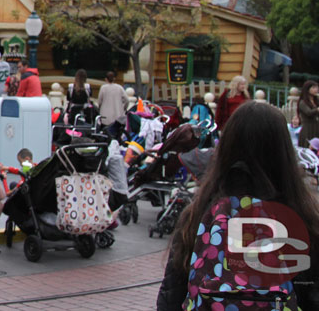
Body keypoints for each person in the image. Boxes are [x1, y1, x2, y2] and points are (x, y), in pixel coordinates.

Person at [157, 102, 319, 309]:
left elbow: (172, 294)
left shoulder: (201, 212)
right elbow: (311, 295)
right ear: (284, 151)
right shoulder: (301, 216)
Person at [96, 71, 128, 135]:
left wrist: (99, 109)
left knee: (105, 134)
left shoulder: (103, 88)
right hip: (117, 116)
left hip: (105, 117)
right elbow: (127, 100)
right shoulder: (119, 88)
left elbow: (99, 101)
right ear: (114, 78)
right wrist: (123, 109)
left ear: (106, 79)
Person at [297, 80, 319, 149]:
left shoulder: (316, 101)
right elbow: (308, 112)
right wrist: (317, 109)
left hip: (317, 127)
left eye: (317, 87)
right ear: (307, 89)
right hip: (308, 129)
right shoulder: (302, 102)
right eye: (313, 88)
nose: (316, 89)